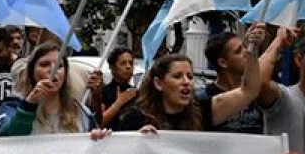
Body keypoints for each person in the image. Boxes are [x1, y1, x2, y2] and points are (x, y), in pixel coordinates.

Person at [111, 52, 261, 132]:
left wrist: (252, 49)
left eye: (190, 76)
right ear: (159, 83)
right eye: (177, 76)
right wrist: (138, 140)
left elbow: (249, 91)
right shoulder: (135, 118)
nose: (186, 82)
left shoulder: (202, 110)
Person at [0, 43, 108, 138]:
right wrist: (29, 105)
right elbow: (6, 137)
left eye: (59, 66)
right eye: (44, 65)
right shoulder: (12, 104)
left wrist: (96, 137)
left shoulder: (80, 110)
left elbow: (92, 143)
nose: (52, 70)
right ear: (31, 71)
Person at [200, 26, 266, 134]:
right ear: (223, 62)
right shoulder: (207, 99)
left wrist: (253, 44)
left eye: (245, 47)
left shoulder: (258, 91)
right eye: (238, 51)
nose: (246, 52)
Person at [101, 47, 137, 127]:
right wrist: (118, 103)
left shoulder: (137, 93)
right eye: (123, 63)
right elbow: (99, 122)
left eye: (131, 63)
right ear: (112, 68)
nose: (128, 66)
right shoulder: (104, 92)